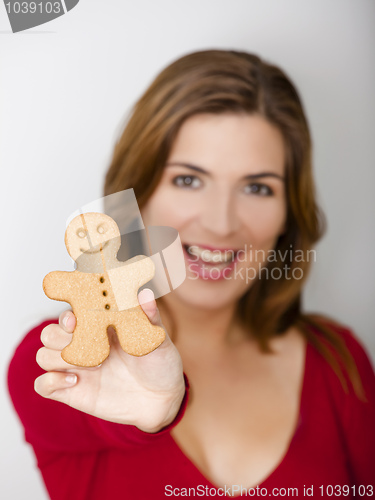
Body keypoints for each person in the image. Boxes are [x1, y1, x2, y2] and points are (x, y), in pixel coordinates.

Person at [8, 50, 375, 499]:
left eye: (257, 187)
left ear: (287, 216)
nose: (221, 223)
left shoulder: (341, 366)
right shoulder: (58, 358)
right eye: (189, 179)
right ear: (137, 198)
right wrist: (156, 412)